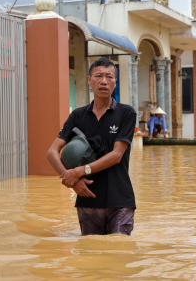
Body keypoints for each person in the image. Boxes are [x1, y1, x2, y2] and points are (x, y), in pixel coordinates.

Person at [46, 57, 137, 236]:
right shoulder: (78, 116)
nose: (104, 81)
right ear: (89, 80)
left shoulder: (126, 113)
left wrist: (79, 171)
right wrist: (72, 182)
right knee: (90, 256)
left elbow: (116, 155)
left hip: (119, 201)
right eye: (98, 76)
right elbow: (52, 152)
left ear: (115, 82)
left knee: (118, 252)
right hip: (87, 201)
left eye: (109, 77)